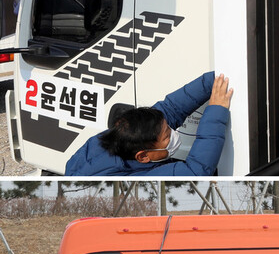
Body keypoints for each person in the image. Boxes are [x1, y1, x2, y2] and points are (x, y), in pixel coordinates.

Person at [65, 72, 232, 176]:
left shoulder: (128, 135)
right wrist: (216, 110)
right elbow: (196, 170)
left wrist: (217, 77)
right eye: (167, 137)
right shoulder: (128, 178)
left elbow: (171, 108)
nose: (173, 135)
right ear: (143, 156)